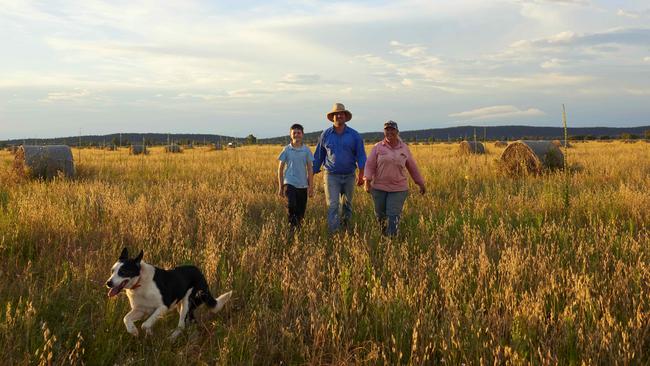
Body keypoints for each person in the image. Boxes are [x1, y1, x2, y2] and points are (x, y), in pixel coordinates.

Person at [363, 120, 426, 236]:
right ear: (384, 132)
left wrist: (420, 183)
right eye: (387, 130)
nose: (389, 132)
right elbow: (370, 165)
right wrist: (367, 181)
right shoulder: (378, 147)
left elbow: (412, 167)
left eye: (392, 129)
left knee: (393, 215)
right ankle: (383, 235)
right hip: (379, 187)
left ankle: (392, 240)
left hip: (398, 188)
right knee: (380, 215)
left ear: (397, 131)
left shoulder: (404, 148)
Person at [313, 103, 367, 233]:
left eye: (341, 113)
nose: (339, 116)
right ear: (332, 117)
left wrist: (361, 175)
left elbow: (361, 156)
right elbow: (319, 156)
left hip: (349, 175)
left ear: (345, 116)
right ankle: (334, 234)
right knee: (333, 205)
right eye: (336, 114)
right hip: (331, 175)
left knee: (347, 205)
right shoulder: (325, 135)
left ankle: (346, 229)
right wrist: (311, 174)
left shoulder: (354, 135)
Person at [278, 123, 314, 230]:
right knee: (291, 205)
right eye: (294, 133)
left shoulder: (306, 150)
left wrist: (311, 187)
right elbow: (280, 169)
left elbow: (310, 169)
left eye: (299, 133)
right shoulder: (286, 150)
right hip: (289, 183)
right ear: (290, 135)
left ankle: (297, 231)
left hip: (303, 185)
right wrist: (281, 187)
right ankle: (291, 228)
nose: (296, 135)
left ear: (302, 135)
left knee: (301, 211)